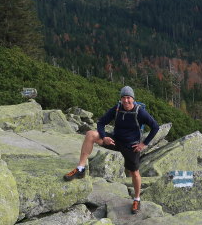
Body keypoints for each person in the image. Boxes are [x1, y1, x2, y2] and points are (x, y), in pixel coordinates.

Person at [63, 86, 159, 214]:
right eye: (123, 97)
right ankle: (80, 169)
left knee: (134, 172)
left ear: (133, 99)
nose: (126, 100)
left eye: (128, 98)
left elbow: (155, 127)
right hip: (115, 140)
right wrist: (104, 137)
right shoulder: (117, 108)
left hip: (131, 145)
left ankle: (137, 199)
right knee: (90, 134)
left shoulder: (139, 112)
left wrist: (143, 144)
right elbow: (101, 122)